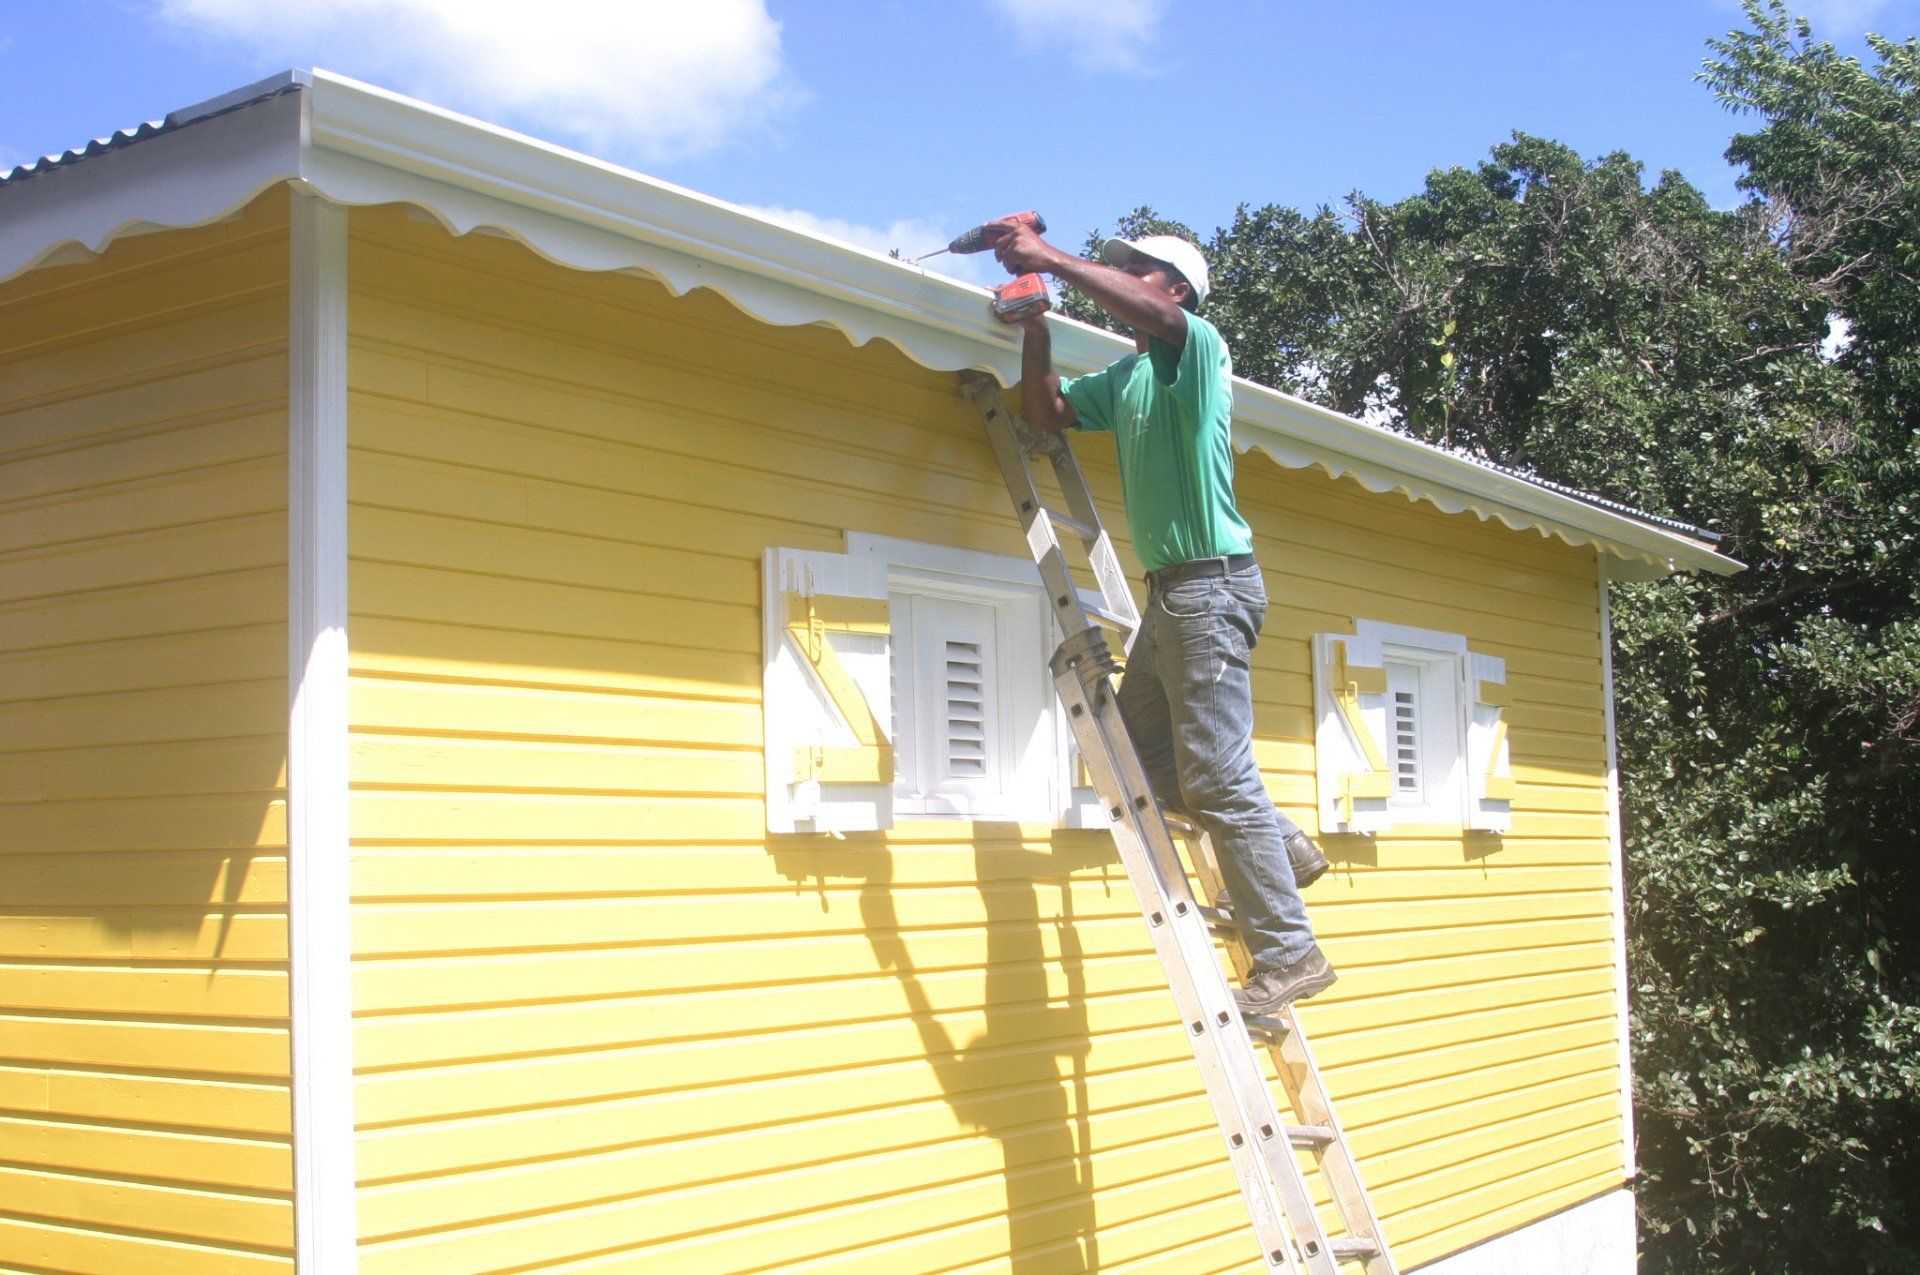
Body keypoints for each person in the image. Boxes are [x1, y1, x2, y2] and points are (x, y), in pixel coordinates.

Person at [987, 221, 1336, 1015]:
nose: (1128, 280)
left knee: (1217, 774)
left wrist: (1049, 258)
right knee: (1143, 747)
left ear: (1175, 291)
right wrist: (1036, 325)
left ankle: (1290, 954)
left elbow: (1160, 321)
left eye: (1142, 273)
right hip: (1173, 596)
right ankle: (1283, 843)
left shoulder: (1197, 350)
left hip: (1213, 587)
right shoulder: (1132, 376)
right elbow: (1045, 416)